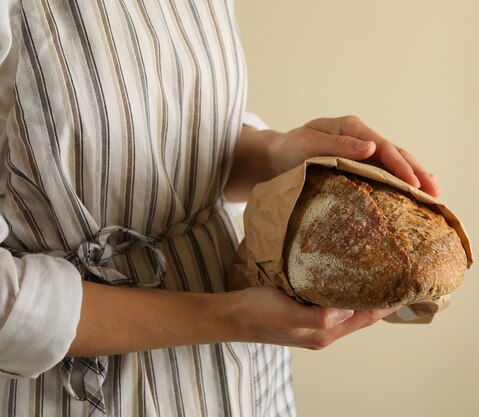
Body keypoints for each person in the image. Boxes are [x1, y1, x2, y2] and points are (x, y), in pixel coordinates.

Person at [0, 1, 439, 416]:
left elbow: (163, 142)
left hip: (239, 367)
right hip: (73, 385)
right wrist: (229, 317)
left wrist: (275, 153)